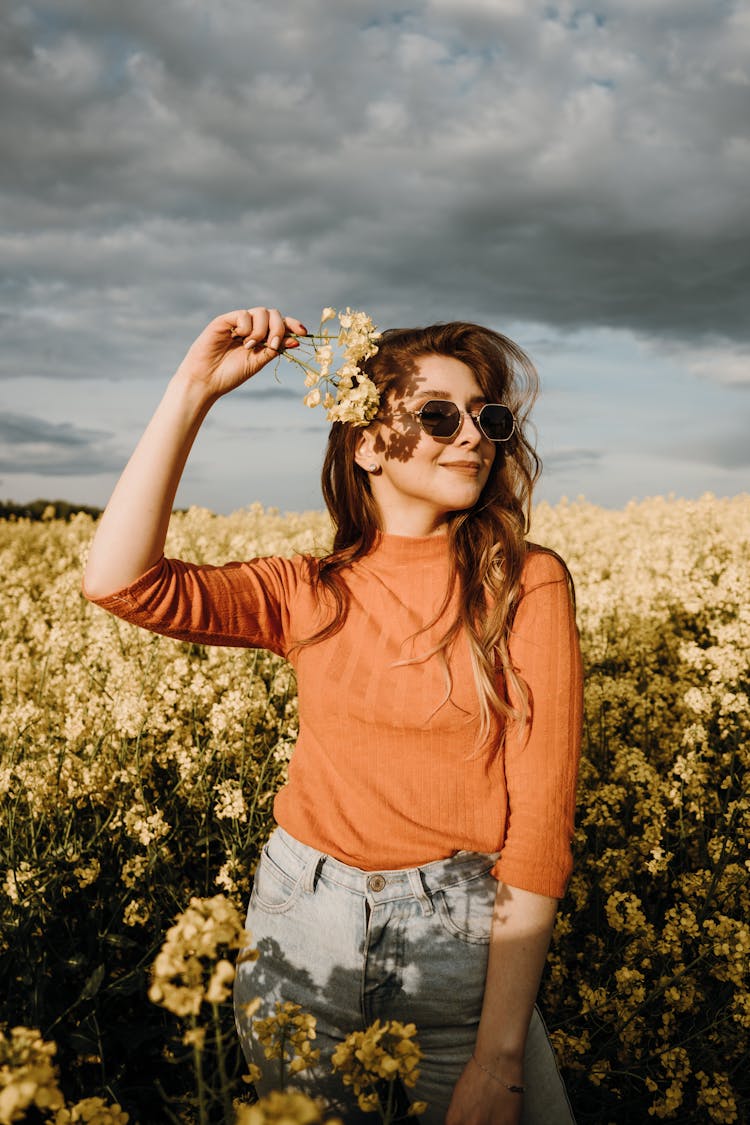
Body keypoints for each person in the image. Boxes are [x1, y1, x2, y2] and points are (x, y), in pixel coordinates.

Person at [83, 306, 582, 1125]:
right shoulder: (308, 588)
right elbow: (119, 582)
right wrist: (192, 391)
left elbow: (538, 834)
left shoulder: (525, 584)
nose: (473, 437)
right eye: (436, 415)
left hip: (460, 939)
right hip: (301, 925)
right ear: (364, 441)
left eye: (489, 417)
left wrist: (498, 1059)